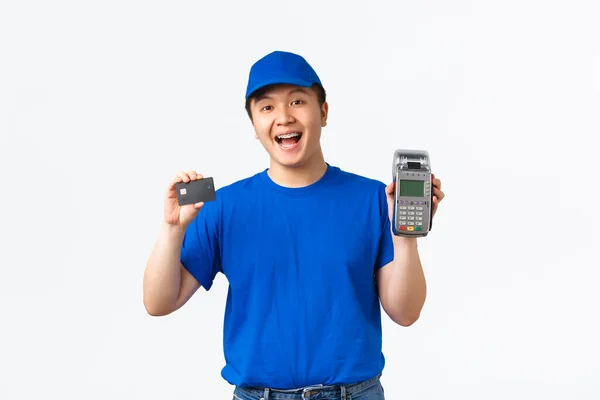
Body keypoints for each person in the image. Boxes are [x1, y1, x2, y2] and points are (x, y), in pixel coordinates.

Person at [143, 50, 445, 400]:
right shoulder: (223, 206)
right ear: (254, 126)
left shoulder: (376, 199)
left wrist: (405, 237)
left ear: (324, 112)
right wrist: (171, 228)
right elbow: (158, 302)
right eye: (267, 107)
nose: (284, 117)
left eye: (298, 101)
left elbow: (406, 313)